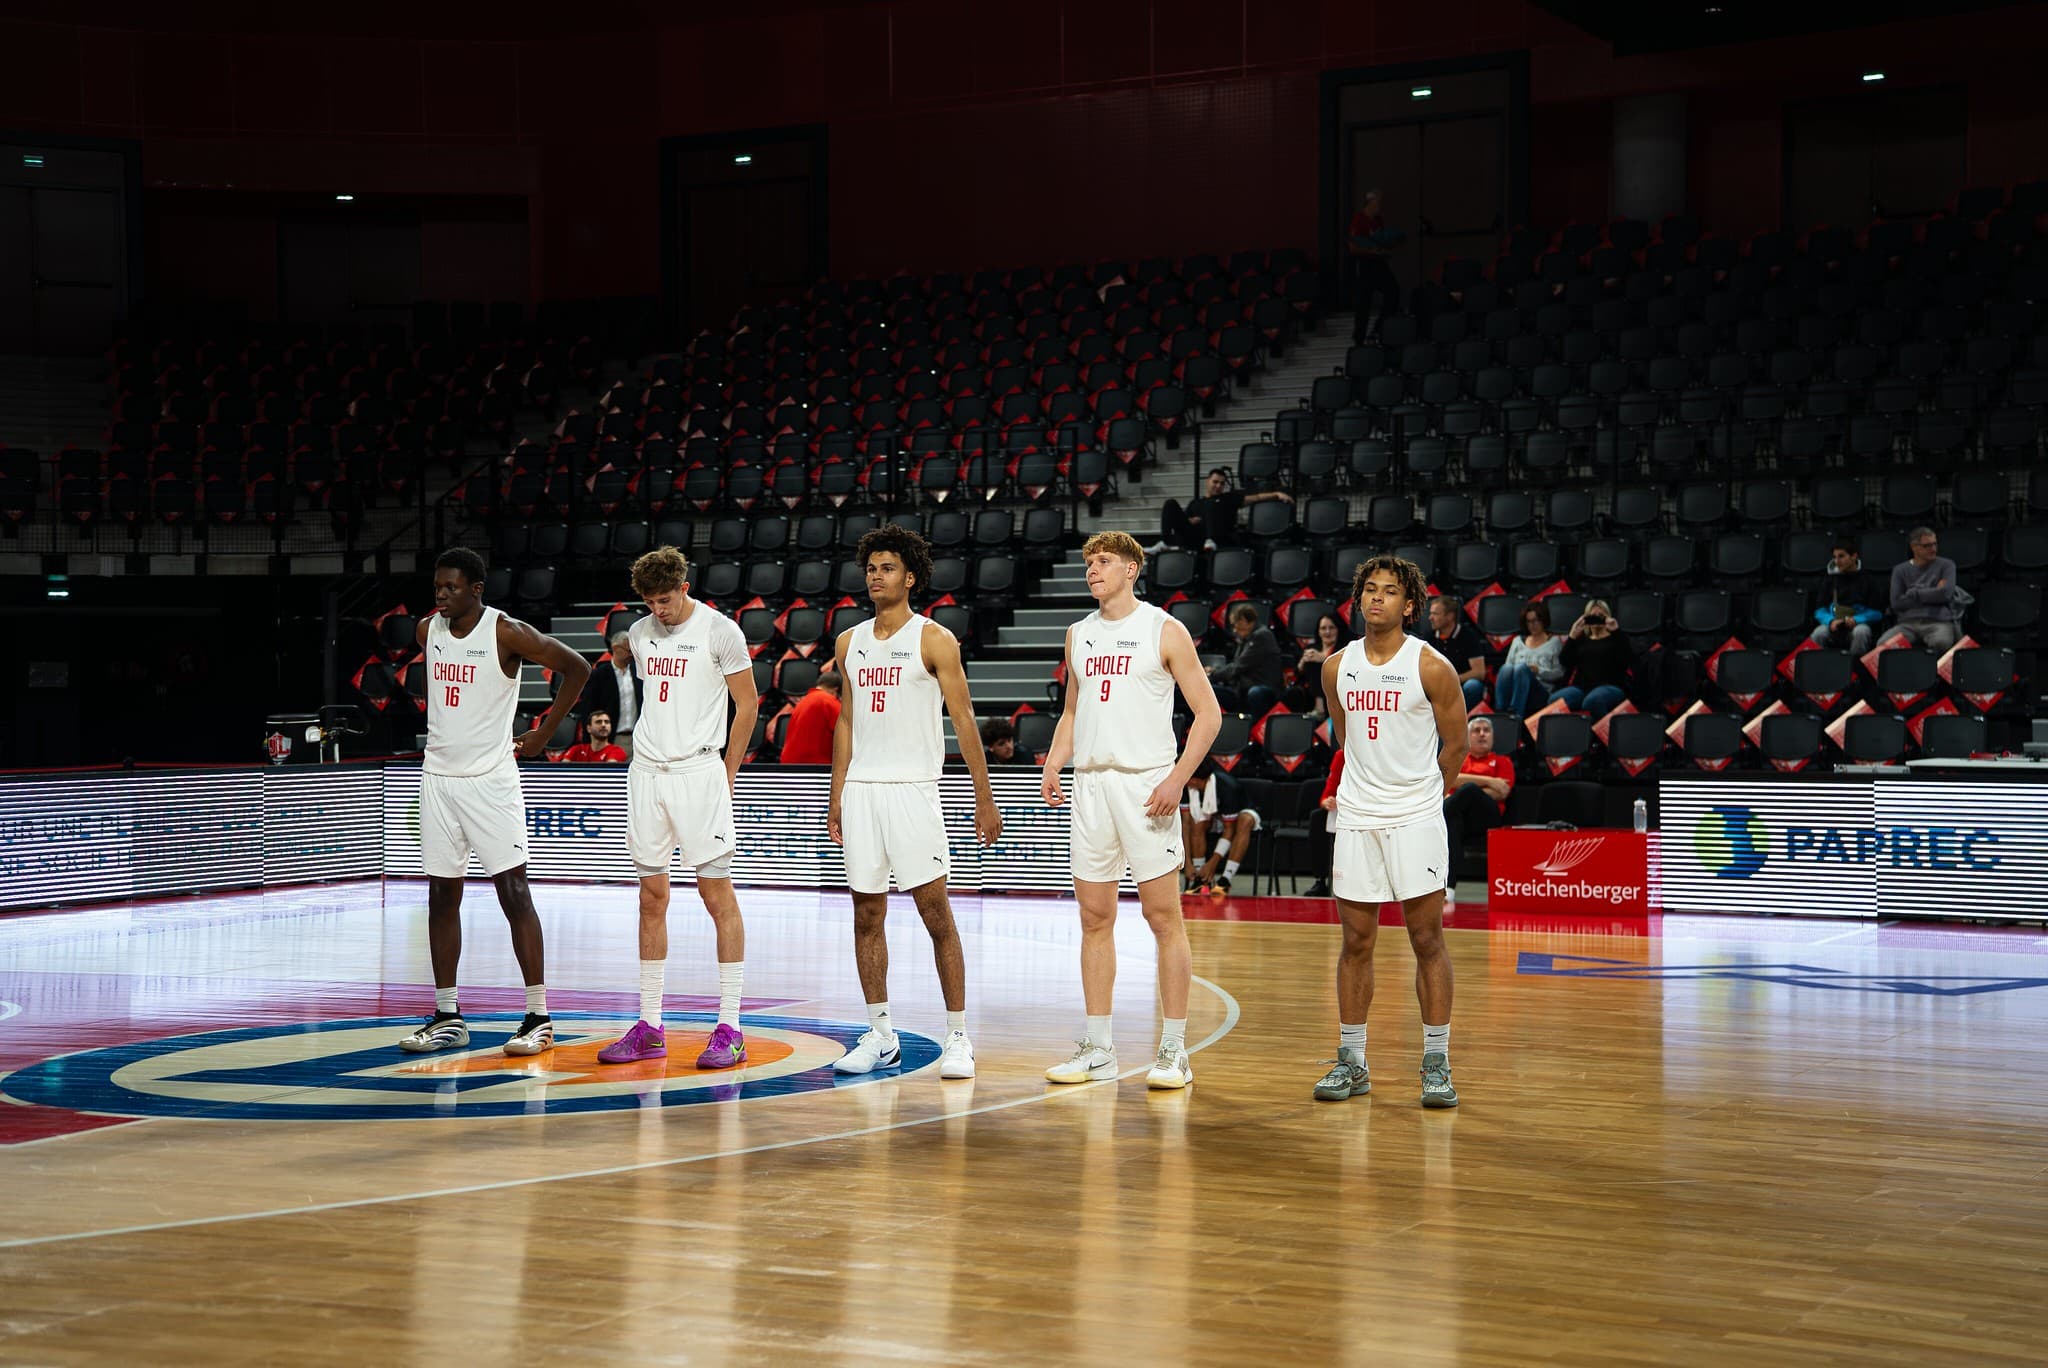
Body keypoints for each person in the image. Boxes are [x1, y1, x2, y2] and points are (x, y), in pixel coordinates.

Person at [1041, 531, 1222, 1091]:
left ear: (1131, 569)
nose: (1092, 570)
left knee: (1164, 919)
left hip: (1147, 787)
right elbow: (1073, 710)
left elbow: (1209, 715)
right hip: (1092, 787)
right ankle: (1099, 1048)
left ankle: (1173, 1050)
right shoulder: (1079, 634)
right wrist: (1053, 761)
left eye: (1104, 562)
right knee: (1094, 919)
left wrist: (1177, 778)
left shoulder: (1162, 629)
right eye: (1088, 562)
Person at [397, 547, 591, 1056]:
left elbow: (577, 668)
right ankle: (447, 1014)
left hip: (490, 780)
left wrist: (545, 732)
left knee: (514, 893)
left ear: (476, 589)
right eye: (437, 586)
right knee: (442, 896)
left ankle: (539, 1016)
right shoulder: (427, 631)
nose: (441, 594)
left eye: (452, 587)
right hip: (437, 779)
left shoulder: (506, 632)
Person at [827, 524, 1002, 1080]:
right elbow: (848, 721)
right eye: (870, 567)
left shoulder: (935, 639)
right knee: (866, 915)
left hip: (913, 790)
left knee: (936, 915)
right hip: (863, 794)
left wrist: (984, 795)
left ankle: (958, 1035)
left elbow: (965, 720)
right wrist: (836, 795)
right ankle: (881, 1035)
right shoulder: (848, 642)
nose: (876, 576)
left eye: (887, 568)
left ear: (910, 576)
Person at [593, 546, 757, 1071]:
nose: (657, 610)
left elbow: (749, 704)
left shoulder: (720, 631)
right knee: (650, 897)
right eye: (649, 602)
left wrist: (728, 771)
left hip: (698, 770)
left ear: (684, 586)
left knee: (716, 895)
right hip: (646, 772)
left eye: (664, 599)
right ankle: (649, 1025)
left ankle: (730, 1027)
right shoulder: (639, 636)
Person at [1314, 553, 1467, 1109]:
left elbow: (1457, 746)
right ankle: (1352, 1061)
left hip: (1415, 817)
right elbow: (1345, 735)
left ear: (1410, 605)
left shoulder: (1431, 666)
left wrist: (1427, 799)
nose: (1376, 598)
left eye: (1389, 591)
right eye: (1369, 590)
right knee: (1355, 942)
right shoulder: (1336, 666)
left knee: (1427, 940)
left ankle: (1436, 1061)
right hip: (1356, 815)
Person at [1440, 715, 1514, 904]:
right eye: (1476, 730)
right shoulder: (1461, 760)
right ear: (1468, 736)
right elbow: (1450, 781)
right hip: (1462, 817)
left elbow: (1500, 793)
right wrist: (1489, 781)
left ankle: (1437, 813)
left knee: (1468, 791)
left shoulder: (1503, 761)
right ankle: (1449, 887)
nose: (1482, 734)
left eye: (1486, 730)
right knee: (1453, 820)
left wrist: (1466, 784)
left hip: (1488, 816)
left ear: (1492, 737)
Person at [1151, 467, 1293, 553]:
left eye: (1222, 483)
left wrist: (1276, 494)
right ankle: (1165, 542)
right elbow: (1185, 521)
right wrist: (1190, 521)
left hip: (1219, 536)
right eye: (1215, 482)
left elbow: (1256, 497)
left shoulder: (1229, 498)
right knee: (1170, 504)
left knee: (1213, 503)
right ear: (1208, 481)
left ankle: (1210, 540)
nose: (1218, 486)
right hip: (1194, 537)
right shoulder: (1196, 502)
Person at [1179, 758, 1260, 896]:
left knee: (1245, 820)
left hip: (1239, 815)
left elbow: (1230, 829)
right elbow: (1185, 825)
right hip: (1214, 817)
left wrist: (1212, 864)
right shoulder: (1185, 787)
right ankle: (1201, 878)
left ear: (1195, 779)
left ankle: (1225, 879)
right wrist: (1186, 862)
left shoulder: (1228, 787)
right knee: (1196, 821)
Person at [1877, 527, 1963, 654]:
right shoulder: (1900, 570)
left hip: (1938, 621)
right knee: (1883, 644)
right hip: (1907, 623)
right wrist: (1933, 591)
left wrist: (1914, 592)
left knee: (1941, 642)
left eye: (1935, 544)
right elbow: (1896, 603)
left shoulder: (1947, 565)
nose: (1933, 549)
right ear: (1914, 547)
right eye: (1927, 546)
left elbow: (1945, 594)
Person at [1552, 599, 1631, 717]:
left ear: (1607, 617)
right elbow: (1565, 661)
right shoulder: (1581, 640)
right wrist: (1572, 636)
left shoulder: (1616, 639)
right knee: (1555, 700)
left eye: (1600, 616)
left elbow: (1626, 659)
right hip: (1581, 688)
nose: (1596, 619)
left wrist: (1616, 632)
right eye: (1592, 616)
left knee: (1592, 701)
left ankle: (1603, 733)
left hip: (1610, 686)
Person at [1207, 602, 1286, 714]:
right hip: (1242, 688)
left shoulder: (1261, 636)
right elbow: (1236, 664)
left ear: (1244, 620)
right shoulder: (1246, 637)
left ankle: (1253, 725)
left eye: (1235, 624)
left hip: (1263, 688)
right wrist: (1215, 672)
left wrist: (1212, 675)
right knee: (1209, 691)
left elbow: (1239, 666)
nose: (1234, 629)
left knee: (1255, 693)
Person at [1348, 188, 1404, 343]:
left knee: (1393, 292)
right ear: (1371, 202)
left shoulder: (1378, 220)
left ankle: (1378, 330)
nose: (1381, 205)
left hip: (1379, 263)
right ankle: (1359, 338)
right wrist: (1372, 250)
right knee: (1363, 303)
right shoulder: (1358, 219)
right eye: (1378, 201)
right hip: (1366, 265)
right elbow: (1353, 247)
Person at [1810, 536, 1880, 655]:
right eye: (1835, 557)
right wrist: (1830, 621)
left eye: (1841, 556)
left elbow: (1877, 612)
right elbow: (1819, 610)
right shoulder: (1829, 579)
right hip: (1834, 623)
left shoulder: (1868, 579)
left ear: (1854, 556)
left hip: (1858, 623)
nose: (1837, 561)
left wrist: (1857, 619)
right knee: (1818, 633)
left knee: (1861, 632)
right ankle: (1821, 668)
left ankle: (1854, 668)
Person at [1493, 600, 1564, 717]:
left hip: (1540, 690)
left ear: (1543, 620)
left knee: (1521, 668)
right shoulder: (1517, 641)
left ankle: (1516, 714)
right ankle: (1500, 713)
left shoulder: (1554, 642)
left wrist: (1538, 671)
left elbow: (1559, 673)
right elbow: (1507, 670)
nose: (1533, 625)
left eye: (1536, 620)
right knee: (1506, 668)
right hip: (1514, 687)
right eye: (1529, 621)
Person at [580, 630, 642, 755]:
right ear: (615, 648)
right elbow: (588, 707)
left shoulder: (639, 672)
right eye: (628, 650)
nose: (631, 654)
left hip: (638, 738)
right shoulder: (599, 675)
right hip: (611, 738)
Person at [1424, 595, 1488, 709]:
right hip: (1437, 686)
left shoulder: (1468, 636)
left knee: (1473, 686)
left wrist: (1453, 679)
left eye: (1435, 614)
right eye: (1431, 613)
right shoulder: (1428, 638)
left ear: (1450, 616)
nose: (1430, 618)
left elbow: (1479, 672)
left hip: (1461, 684)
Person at [1285, 613, 1347, 715]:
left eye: (1331, 628)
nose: (1327, 632)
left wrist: (1324, 659)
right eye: (1323, 628)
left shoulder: (1344, 649)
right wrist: (1302, 663)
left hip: (1335, 691)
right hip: (1310, 694)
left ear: (1338, 630)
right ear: (1318, 632)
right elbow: (1298, 675)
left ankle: (1320, 708)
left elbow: (1345, 671)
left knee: (1317, 665)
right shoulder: (1311, 648)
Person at [778, 669, 841, 764]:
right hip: (814, 765)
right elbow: (846, 731)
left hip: (789, 763)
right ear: (835, 690)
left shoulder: (802, 702)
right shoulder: (829, 701)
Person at [556, 708, 627, 763]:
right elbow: (563, 768)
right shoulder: (576, 750)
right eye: (598, 722)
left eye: (607, 722)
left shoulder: (616, 751)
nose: (603, 725)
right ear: (589, 728)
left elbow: (608, 772)